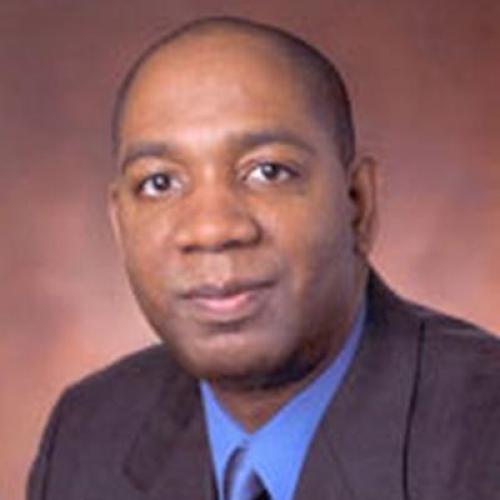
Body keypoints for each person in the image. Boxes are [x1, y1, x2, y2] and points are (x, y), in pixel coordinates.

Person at [28, 16, 500, 500]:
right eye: (160, 182)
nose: (212, 230)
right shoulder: (86, 435)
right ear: (119, 223)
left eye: (268, 172)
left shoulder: (484, 436)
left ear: (357, 204)